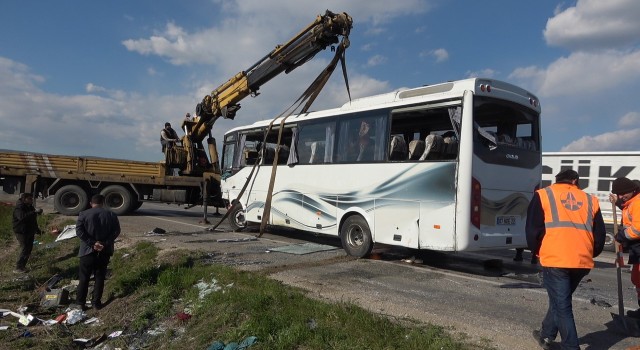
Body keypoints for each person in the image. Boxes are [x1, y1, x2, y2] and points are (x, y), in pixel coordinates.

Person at [526, 169, 605, 350]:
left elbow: (532, 229)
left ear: (557, 180)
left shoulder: (544, 195)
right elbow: (599, 235)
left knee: (562, 304)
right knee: (559, 299)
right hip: (581, 260)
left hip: (555, 258)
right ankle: (546, 333)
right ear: (575, 180)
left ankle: (571, 346)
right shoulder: (590, 200)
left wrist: (536, 251)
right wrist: (589, 253)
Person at [75, 194, 121, 310]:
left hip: (87, 251)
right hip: (104, 251)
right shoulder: (111, 214)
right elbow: (116, 231)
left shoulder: (83, 214)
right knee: (100, 277)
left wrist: (92, 243)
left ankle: (80, 303)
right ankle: (96, 303)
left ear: (91, 203)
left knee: (84, 278)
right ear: (103, 203)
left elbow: (79, 232)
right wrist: (104, 243)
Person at [609, 177, 640, 318]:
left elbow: (638, 229)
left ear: (632, 190)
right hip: (637, 247)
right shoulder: (631, 201)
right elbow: (626, 205)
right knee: (637, 279)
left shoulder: (638, 203)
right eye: (618, 194)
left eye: (623, 194)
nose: (621, 197)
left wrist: (621, 236)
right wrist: (617, 203)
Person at [12, 193, 42, 273]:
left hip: (29, 230)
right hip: (21, 231)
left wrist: (37, 229)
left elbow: (33, 220)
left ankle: (23, 266)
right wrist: (34, 212)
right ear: (24, 199)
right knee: (24, 248)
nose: (31, 200)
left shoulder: (30, 207)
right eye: (30, 199)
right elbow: (22, 217)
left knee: (29, 248)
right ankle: (18, 267)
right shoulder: (19, 207)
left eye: (31, 198)